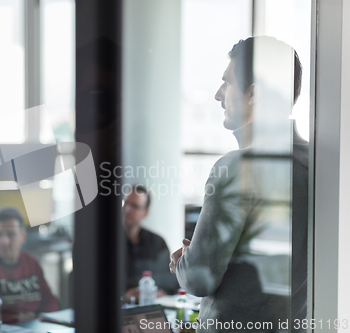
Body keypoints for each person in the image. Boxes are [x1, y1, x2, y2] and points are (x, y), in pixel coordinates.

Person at [169, 36, 308, 332]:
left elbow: (198, 279)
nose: (218, 95)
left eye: (227, 83)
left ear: (253, 94)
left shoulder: (235, 167)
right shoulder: (318, 165)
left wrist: (184, 261)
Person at [0, 207, 59, 326]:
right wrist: (16, 318)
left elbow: (51, 302)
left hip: (34, 326)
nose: (4, 241)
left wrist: (41, 319)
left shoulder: (31, 262)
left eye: (11, 235)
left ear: (23, 237)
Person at [123, 184, 179, 302]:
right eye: (126, 203)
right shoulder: (109, 242)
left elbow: (171, 280)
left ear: (145, 212)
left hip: (152, 307)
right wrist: (125, 295)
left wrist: (158, 292)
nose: (128, 209)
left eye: (135, 206)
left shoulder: (157, 242)